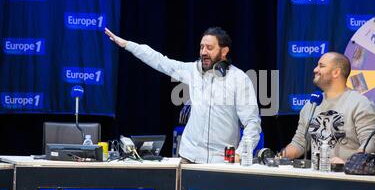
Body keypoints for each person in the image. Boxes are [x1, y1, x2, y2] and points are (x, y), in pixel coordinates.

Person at [105, 27, 261, 164]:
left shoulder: (240, 79)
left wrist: (241, 154)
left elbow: (252, 123)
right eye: (201, 47)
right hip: (188, 157)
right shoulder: (193, 71)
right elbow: (161, 62)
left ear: (224, 51)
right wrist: (128, 45)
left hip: (221, 161)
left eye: (209, 48)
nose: (203, 52)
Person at [282, 52, 375, 162]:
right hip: (317, 175)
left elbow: (370, 143)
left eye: (321, 66)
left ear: (336, 72)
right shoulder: (311, 105)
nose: (315, 69)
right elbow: (300, 143)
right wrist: (280, 156)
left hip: (347, 175)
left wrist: (349, 163)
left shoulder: (360, 104)